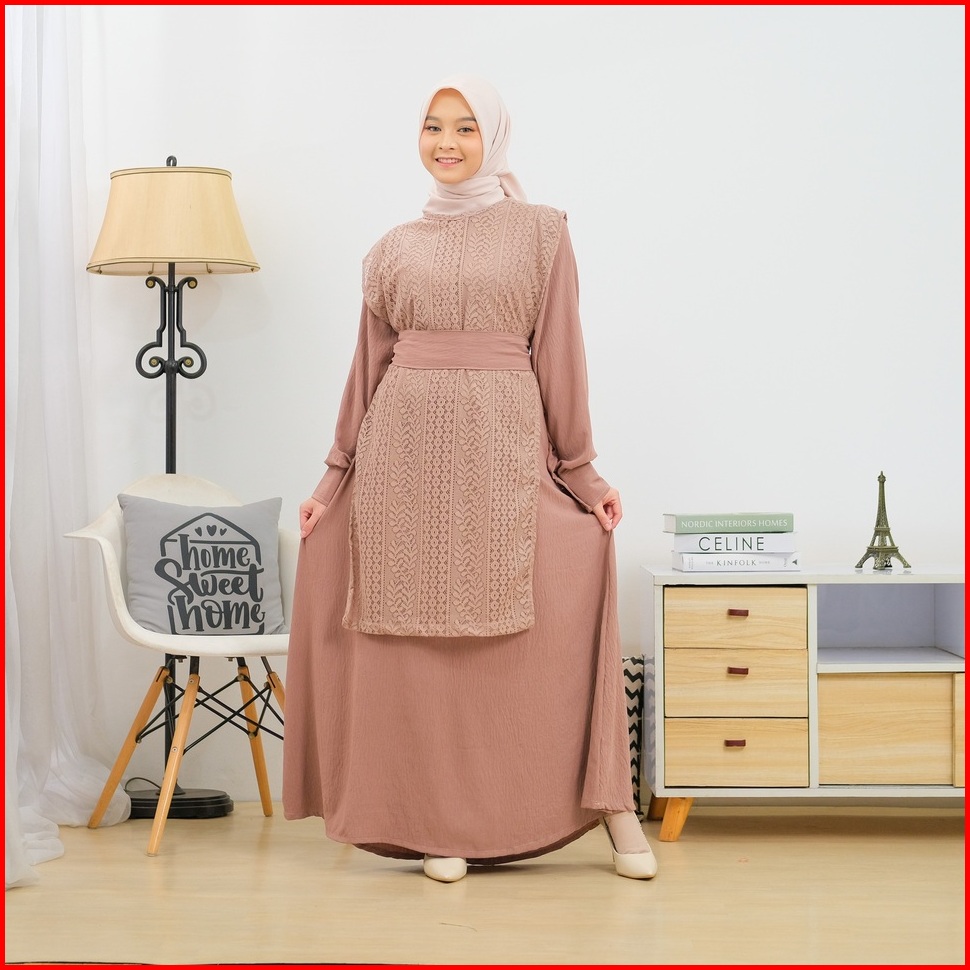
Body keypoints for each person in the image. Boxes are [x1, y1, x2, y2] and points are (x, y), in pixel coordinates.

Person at [281, 75, 657, 882]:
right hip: (399, 457)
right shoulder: (391, 249)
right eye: (432, 126)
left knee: (522, 632)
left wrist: (583, 473)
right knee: (414, 651)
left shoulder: (541, 232)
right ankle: (435, 824)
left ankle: (605, 806)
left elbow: (561, 354)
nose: (446, 142)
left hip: (504, 449)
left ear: (494, 137)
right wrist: (332, 479)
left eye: (464, 128)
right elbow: (367, 369)